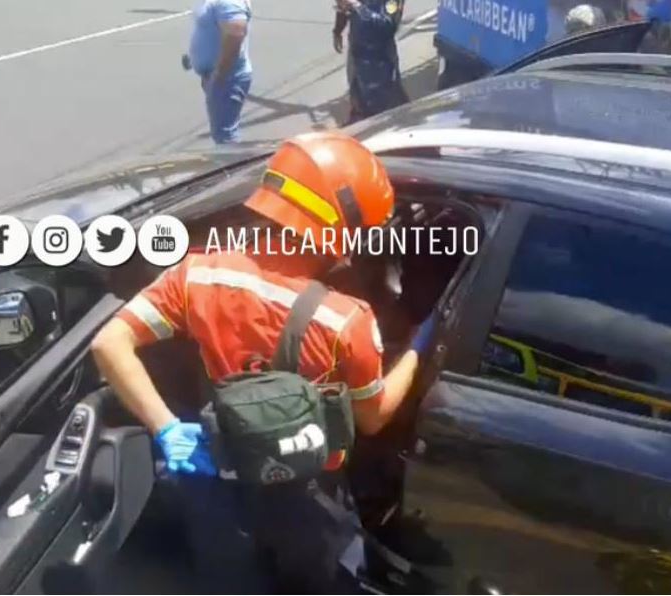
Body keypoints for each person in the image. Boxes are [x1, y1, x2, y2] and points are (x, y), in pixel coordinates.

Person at [91, 131, 433, 592]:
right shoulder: (345, 321)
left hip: (222, 473)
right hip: (307, 496)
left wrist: (166, 427)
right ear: (338, 229)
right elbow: (372, 418)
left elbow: (109, 343)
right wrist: (417, 346)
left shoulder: (196, 274)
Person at [333, 0, 409, 124]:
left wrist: (359, 8)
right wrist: (337, 30)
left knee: (388, 101)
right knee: (357, 92)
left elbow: (388, 26)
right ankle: (359, 121)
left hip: (381, 57)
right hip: (357, 52)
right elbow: (344, 7)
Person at [188, 0, 253, 144]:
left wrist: (219, 74)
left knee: (225, 136)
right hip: (218, 76)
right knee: (223, 132)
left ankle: (230, 164)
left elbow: (235, 33)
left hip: (227, 78)